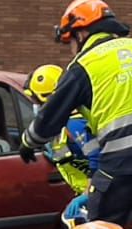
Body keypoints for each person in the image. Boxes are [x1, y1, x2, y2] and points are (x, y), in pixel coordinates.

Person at [20, 0, 132, 229]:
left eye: (70, 41)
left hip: (124, 160)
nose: (71, 48)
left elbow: (50, 117)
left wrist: (28, 142)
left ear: (81, 34)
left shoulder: (83, 66)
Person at [26, 64, 100, 218]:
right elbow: (73, 155)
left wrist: (87, 194)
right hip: (89, 196)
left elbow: (97, 156)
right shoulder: (62, 126)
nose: (36, 107)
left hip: (98, 197)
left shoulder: (75, 125)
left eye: (35, 100)